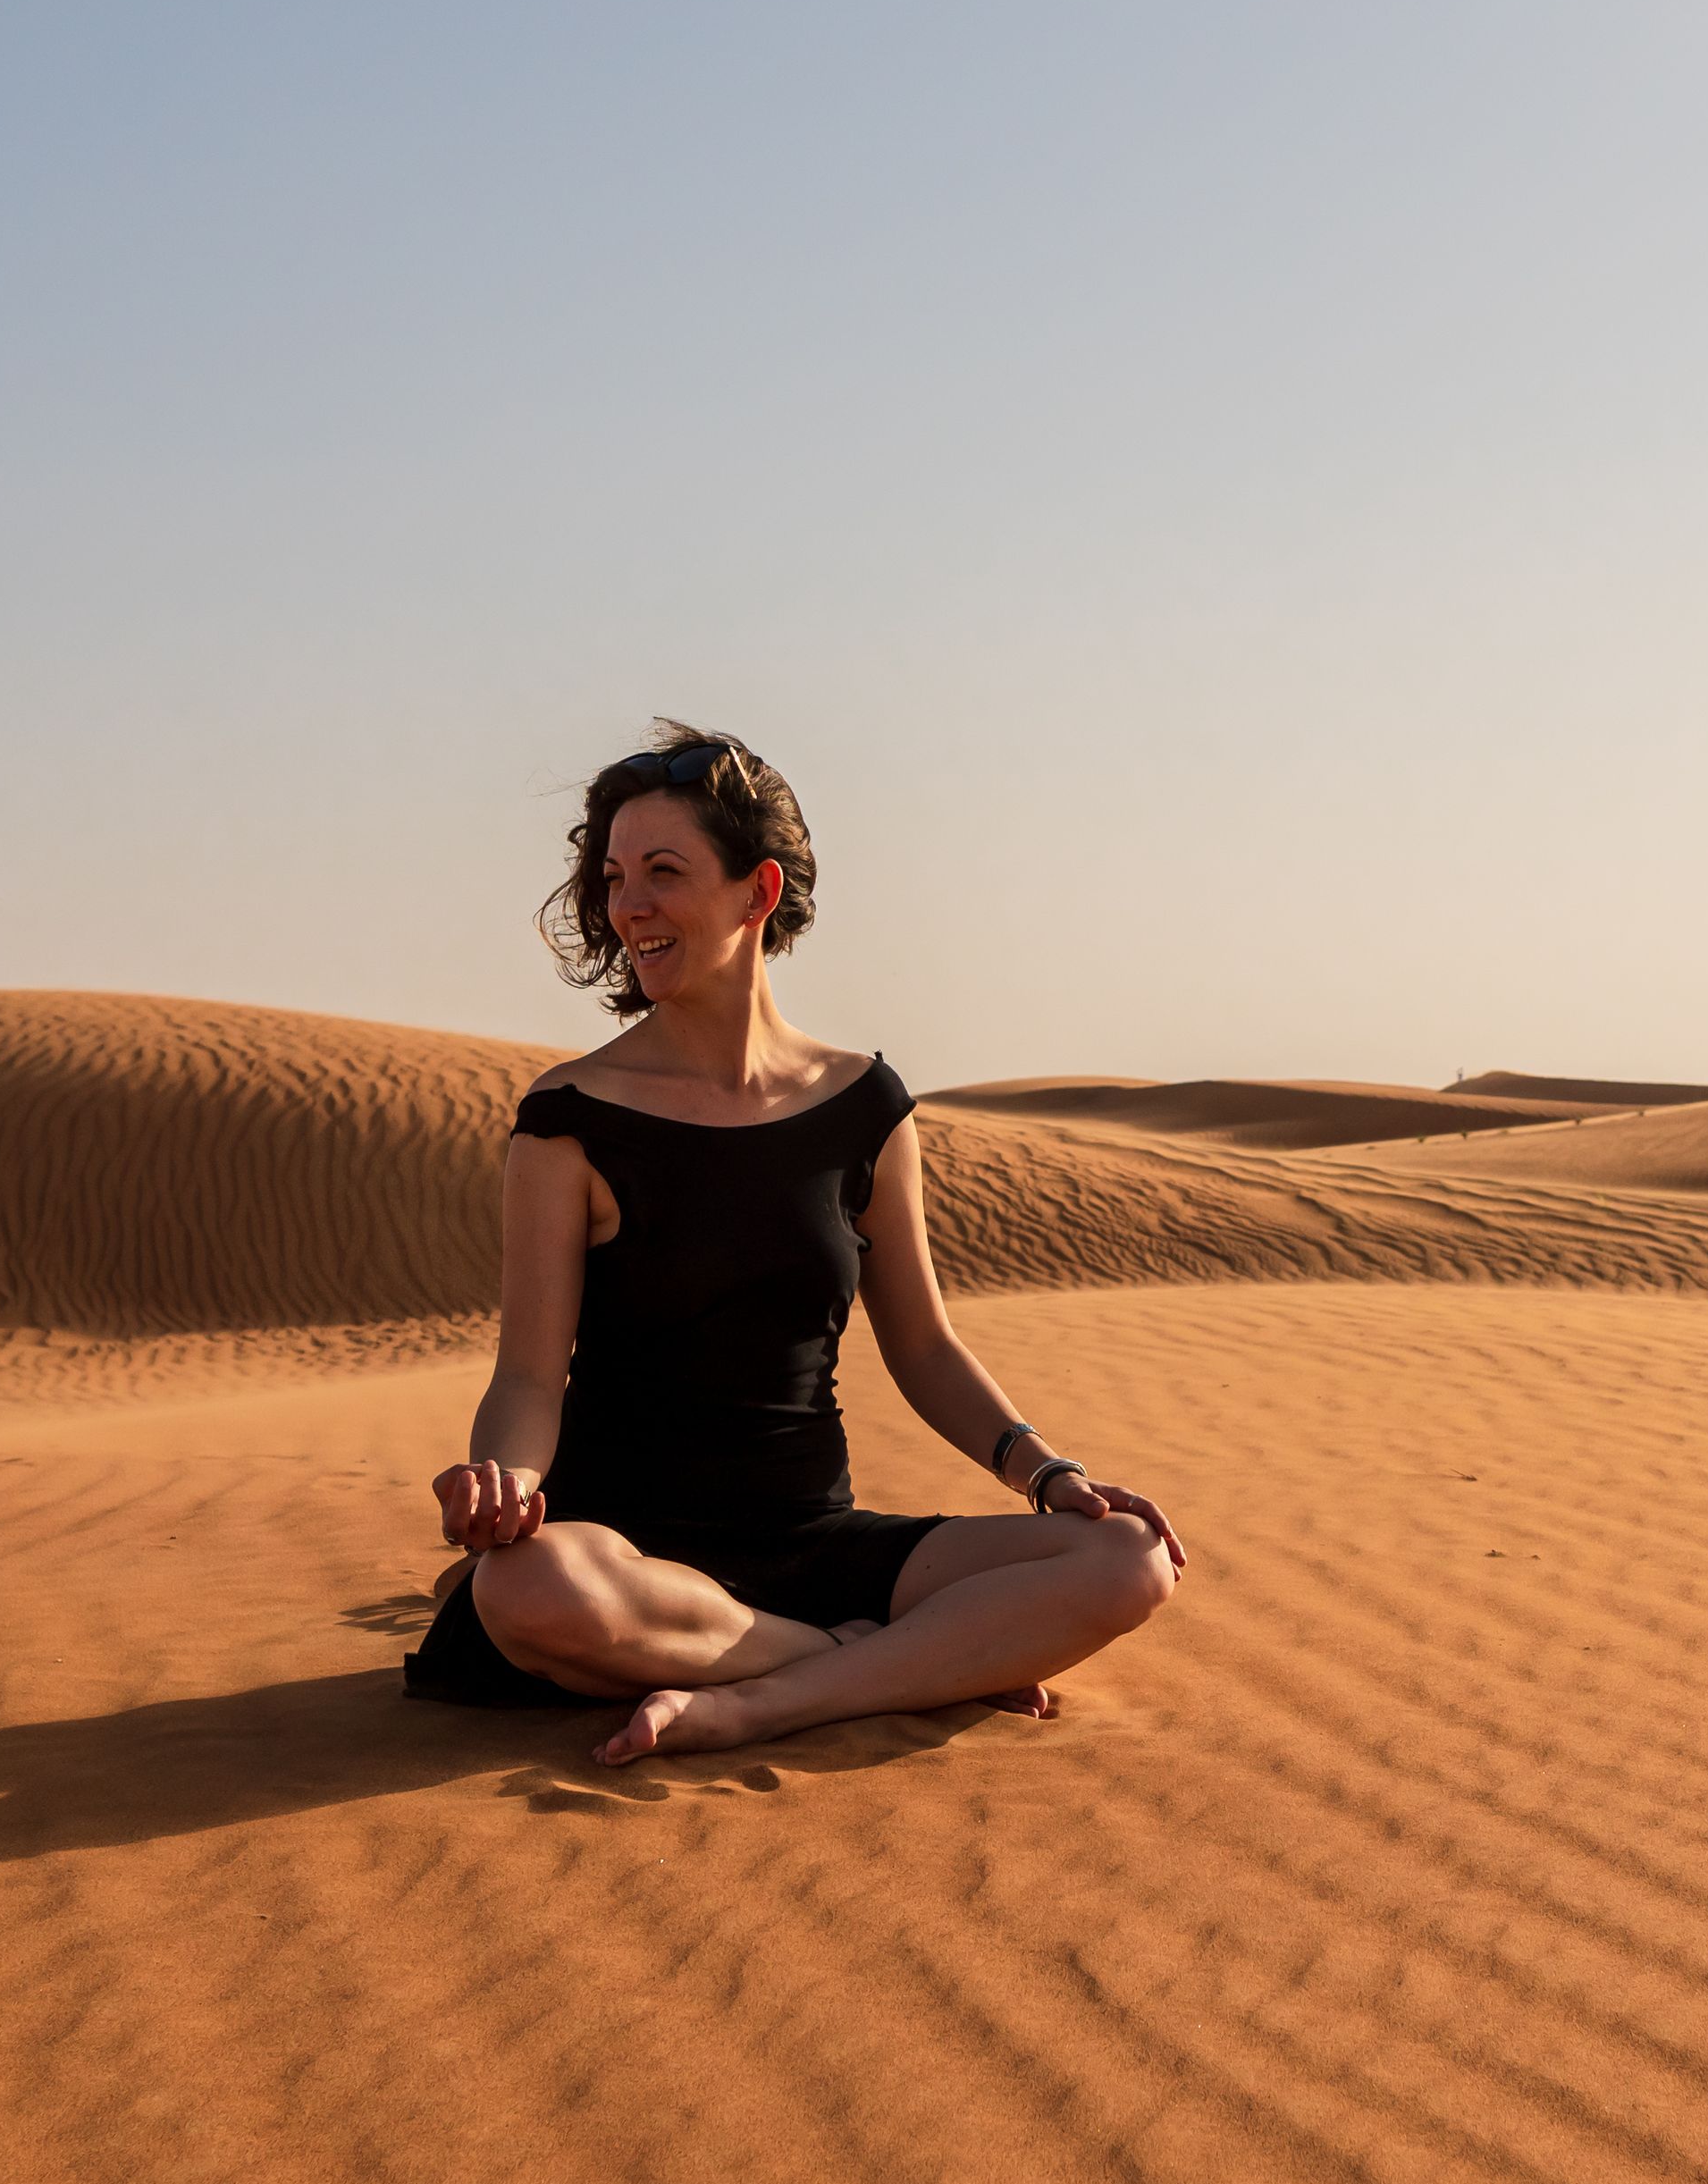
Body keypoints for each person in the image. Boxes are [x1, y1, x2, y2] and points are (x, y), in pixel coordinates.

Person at [408, 725, 1184, 1762]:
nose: (627, 906)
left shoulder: (864, 1106)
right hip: (625, 1556)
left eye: (663, 873)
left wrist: (1046, 1475)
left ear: (757, 892)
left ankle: (759, 1697)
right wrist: (501, 1480)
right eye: (613, 877)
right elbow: (529, 1376)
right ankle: (883, 1664)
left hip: (816, 1539)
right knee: (526, 1586)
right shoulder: (570, 1119)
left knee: (1128, 1559)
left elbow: (925, 1348)